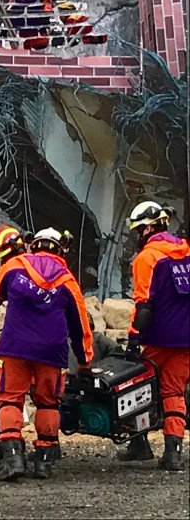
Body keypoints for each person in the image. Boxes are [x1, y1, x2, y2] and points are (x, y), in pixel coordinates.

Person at [0, 227, 94, 481]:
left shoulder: (15, 266)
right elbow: (80, 326)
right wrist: (84, 362)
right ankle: (44, 463)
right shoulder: (67, 280)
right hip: (52, 350)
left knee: (10, 400)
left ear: (33, 244)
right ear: (61, 249)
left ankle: (13, 459)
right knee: (48, 402)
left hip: (15, 347)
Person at [116, 202, 189, 471]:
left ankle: (139, 444)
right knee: (174, 392)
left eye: (138, 231)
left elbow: (143, 307)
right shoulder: (186, 252)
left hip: (158, 338)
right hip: (186, 339)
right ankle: (173, 452)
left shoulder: (148, 257)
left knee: (137, 388)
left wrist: (134, 339)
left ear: (148, 228)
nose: (137, 237)